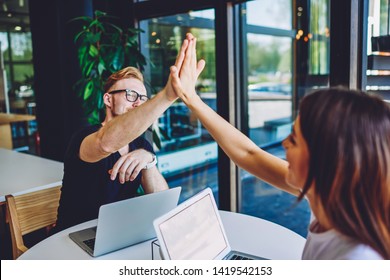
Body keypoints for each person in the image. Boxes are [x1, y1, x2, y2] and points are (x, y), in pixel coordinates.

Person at [169, 34, 390, 259]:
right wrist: (191, 98)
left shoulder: (357, 258)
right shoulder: (331, 197)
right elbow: (249, 154)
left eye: (294, 139)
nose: (284, 143)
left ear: (327, 161)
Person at [55, 36, 192, 231]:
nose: (138, 103)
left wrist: (149, 160)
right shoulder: (84, 138)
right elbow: (105, 144)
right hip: (74, 238)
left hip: (119, 234)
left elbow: (162, 203)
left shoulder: (141, 145)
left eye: (143, 98)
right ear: (108, 100)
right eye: (130, 95)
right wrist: (168, 95)